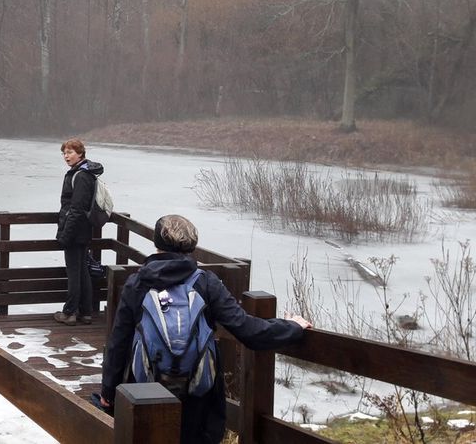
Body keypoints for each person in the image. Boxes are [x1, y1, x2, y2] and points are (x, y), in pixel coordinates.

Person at [97, 214, 312, 443]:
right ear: (191, 245)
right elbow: (248, 330)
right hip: (199, 397)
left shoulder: (137, 283)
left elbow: (118, 342)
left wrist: (108, 392)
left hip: (144, 395)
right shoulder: (206, 282)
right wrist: (292, 327)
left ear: (156, 243)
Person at [54, 138, 103, 326]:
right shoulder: (84, 173)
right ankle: (86, 312)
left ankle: (70, 313)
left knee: (74, 272)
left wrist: (66, 235)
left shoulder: (81, 176)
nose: (66, 156)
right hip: (83, 230)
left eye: (70, 152)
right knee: (82, 272)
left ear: (80, 153)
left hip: (75, 231)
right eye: (64, 153)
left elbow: (76, 208)